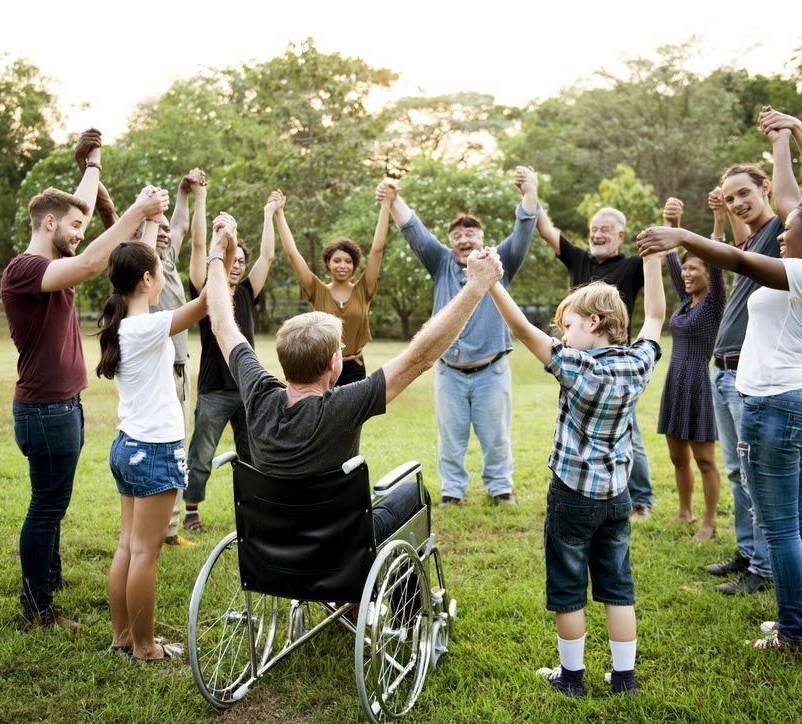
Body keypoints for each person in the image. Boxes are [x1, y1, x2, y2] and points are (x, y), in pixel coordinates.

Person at [637, 111, 802, 652]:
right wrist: (783, 139)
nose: (782, 236)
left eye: (790, 231)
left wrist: (684, 233)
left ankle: (792, 634)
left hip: (779, 407)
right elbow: (778, 219)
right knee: (797, 520)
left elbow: (742, 259)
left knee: (783, 527)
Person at [202, 213, 506, 537]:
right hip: (341, 544)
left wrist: (217, 253)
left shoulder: (258, 394)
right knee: (416, 494)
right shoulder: (344, 406)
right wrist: (475, 287)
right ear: (335, 363)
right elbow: (421, 357)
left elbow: (222, 323)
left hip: (273, 543)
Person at [2, 129, 169, 629]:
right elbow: (95, 258)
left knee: (54, 503)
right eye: (73, 226)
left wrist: (92, 164)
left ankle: (48, 579)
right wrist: (137, 213)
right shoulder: (25, 269)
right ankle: (37, 607)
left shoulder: (52, 262)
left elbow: (80, 216)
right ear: (48, 223)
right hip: (44, 410)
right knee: (47, 507)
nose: (80, 233)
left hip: (62, 406)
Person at [485, 243, 665, 697]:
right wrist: (651, 262)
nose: (562, 335)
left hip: (571, 495)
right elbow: (656, 318)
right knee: (618, 587)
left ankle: (572, 678)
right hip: (617, 498)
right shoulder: (638, 363)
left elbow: (523, 330)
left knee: (568, 588)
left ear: (594, 324)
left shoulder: (577, 366)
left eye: (567, 325)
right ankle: (625, 680)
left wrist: (491, 284)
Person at [702, 107, 802, 595]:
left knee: (760, 482)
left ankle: (763, 569)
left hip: (754, 378)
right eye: (731, 195)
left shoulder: (785, 232)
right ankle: (749, 552)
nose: (738, 202)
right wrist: (722, 212)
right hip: (725, 367)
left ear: (765, 191)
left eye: (745, 193)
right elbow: (739, 244)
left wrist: (787, 136)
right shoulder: (762, 236)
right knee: (739, 473)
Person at [378, 166, 540, 506]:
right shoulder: (440, 264)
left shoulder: (500, 262)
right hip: (449, 371)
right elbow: (414, 230)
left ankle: (500, 489)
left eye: (471, 234)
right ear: (451, 242)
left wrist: (530, 191)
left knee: (496, 437)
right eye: (457, 236)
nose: (464, 240)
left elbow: (524, 228)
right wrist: (394, 200)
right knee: (450, 438)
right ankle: (452, 491)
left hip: (491, 371)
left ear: (482, 238)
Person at [96, 223, 215, 661]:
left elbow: (141, 263)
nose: (162, 272)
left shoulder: (122, 320)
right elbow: (205, 303)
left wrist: (149, 219)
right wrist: (218, 250)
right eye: (158, 268)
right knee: (145, 551)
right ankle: (145, 648)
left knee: (129, 546)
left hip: (128, 446)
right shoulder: (146, 327)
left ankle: (124, 636)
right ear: (147, 280)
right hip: (154, 451)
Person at [535, 204, 654, 520]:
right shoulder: (579, 259)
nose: (597, 234)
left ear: (620, 234)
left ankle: (640, 499)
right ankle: (584, 486)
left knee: (629, 435)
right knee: (577, 427)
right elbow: (546, 229)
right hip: (576, 362)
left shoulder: (631, 265)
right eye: (593, 230)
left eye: (604, 229)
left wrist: (669, 231)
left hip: (615, 366)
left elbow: (659, 278)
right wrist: (530, 193)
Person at [181, 195, 276, 533]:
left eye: (241, 261)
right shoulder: (207, 293)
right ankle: (191, 512)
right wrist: (205, 209)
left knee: (253, 455)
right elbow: (196, 246)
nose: (236, 265)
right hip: (214, 391)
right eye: (231, 258)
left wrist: (269, 213)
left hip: (248, 389)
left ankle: (254, 512)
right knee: (201, 455)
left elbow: (267, 256)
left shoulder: (249, 291)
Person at [656, 197, 726, 542]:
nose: (686, 273)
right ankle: (685, 511)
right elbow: (670, 258)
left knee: (705, 460)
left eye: (693, 268)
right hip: (674, 380)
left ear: (708, 274)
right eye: (684, 269)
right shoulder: (686, 302)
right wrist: (672, 221)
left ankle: (709, 522)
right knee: (676, 455)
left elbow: (714, 259)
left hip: (698, 381)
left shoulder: (714, 304)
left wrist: (717, 220)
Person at [274, 187, 390, 385]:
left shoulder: (364, 289)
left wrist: (386, 205)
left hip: (354, 367)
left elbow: (377, 250)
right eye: (337, 260)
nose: (342, 265)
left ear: (354, 265)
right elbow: (293, 254)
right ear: (328, 264)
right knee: (322, 415)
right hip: (321, 366)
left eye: (348, 261)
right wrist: (279, 214)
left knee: (352, 416)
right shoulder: (316, 290)